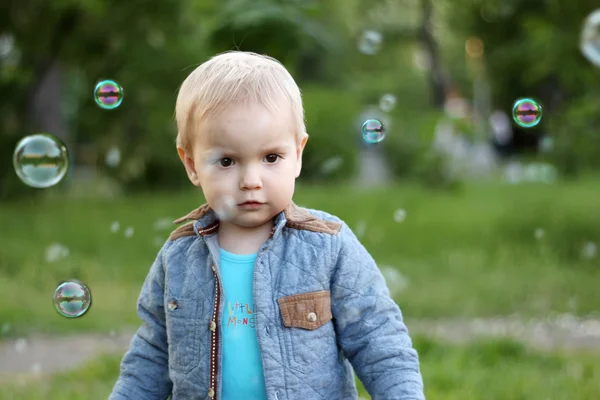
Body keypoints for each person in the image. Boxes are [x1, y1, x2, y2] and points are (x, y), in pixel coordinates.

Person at [109, 51, 425, 400]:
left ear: (298, 154)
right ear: (191, 163)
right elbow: (151, 355)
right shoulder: (179, 257)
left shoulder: (327, 246)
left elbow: (378, 339)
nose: (250, 180)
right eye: (227, 161)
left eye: (271, 158)